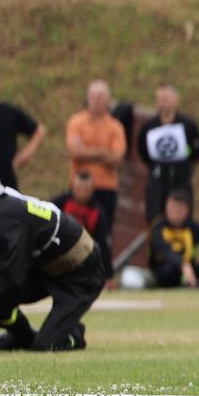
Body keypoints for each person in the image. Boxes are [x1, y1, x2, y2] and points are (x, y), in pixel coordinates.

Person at [0, 157, 104, 352]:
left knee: (45, 345)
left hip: (81, 272)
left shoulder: (6, 216)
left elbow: (11, 277)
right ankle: (22, 336)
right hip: (48, 267)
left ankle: (72, 334)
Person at [63, 79, 125, 275]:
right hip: (79, 188)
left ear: (108, 100)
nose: (96, 101)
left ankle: (104, 273)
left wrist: (87, 150)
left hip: (106, 187)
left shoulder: (115, 127)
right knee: (73, 231)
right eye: (93, 96)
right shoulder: (76, 121)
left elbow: (116, 157)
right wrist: (102, 153)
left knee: (103, 234)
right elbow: (75, 151)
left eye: (101, 97)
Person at [136, 83, 199, 236]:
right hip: (157, 182)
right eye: (159, 99)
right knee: (155, 221)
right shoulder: (149, 127)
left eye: (166, 99)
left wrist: (186, 165)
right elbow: (142, 151)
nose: (162, 103)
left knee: (182, 222)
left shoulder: (187, 125)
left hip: (181, 181)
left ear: (176, 100)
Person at [54, 169, 103, 248]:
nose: (82, 194)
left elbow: (101, 242)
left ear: (92, 190)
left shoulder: (97, 212)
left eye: (86, 190)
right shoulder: (60, 203)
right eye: (78, 189)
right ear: (72, 187)